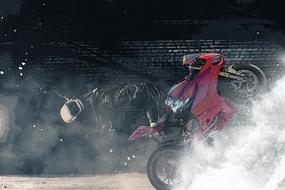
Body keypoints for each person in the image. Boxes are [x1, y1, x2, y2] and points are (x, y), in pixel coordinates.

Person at [59, 82, 166, 129]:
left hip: (133, 93)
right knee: (152, 99)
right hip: (135, 93)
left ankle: (156, 121)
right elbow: (118, 98)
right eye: (74, 108)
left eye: (71, 104)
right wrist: (130, 90)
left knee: (152, 99)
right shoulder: (102, 104)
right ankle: (155, 121)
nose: (74, 104)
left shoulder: (83, 100)